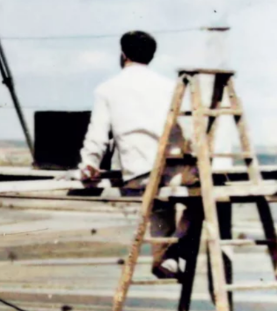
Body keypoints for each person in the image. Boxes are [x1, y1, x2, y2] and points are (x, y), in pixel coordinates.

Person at [77, 30, 195, 279]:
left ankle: (167, 257)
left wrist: (89, 163)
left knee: (157, 205)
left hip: (139, 172)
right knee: (199, 199)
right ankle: (173, 249)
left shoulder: (107, 89)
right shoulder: (171, 87)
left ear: (123, 55)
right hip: (173, 170)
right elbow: (189, 131)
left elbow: (97, 135)